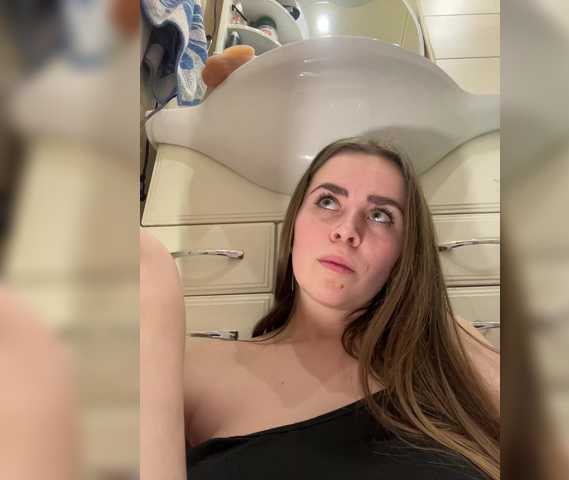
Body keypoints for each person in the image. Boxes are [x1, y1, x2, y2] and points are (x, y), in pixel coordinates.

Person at [140, 47, 500, 480]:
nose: (347, 230)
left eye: (381, 215)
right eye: (328, 201)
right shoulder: (199, 370)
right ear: (294, 224)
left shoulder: (441, 361)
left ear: (405, 255)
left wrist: (437, 322)